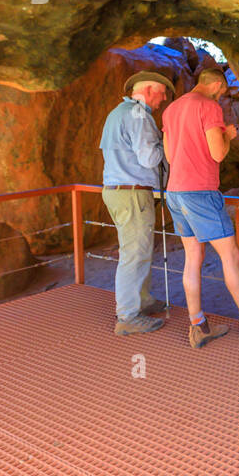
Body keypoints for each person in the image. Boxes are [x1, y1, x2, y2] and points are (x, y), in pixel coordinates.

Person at [161, 67, 239, 348]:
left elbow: (170, 156)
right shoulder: (208, 106)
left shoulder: (171, 110)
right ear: (216, 84)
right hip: (200, 192)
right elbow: (217, 154)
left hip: (175, 191)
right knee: (230, 254)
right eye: (222, 90)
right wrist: (227, 134)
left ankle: (198, 326)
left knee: (193, 256)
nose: (222, 95)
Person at [98, 71, 175, 336]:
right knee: (134, 253)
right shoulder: (140, 115)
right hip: (132, 193)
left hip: (119, 191)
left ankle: (142, 300)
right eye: (162, 93)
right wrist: (168, 141)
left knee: (138, 250)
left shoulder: (117, 113)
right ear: (150, 90)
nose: (163, 100)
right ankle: (128, 315)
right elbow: (149, 159)